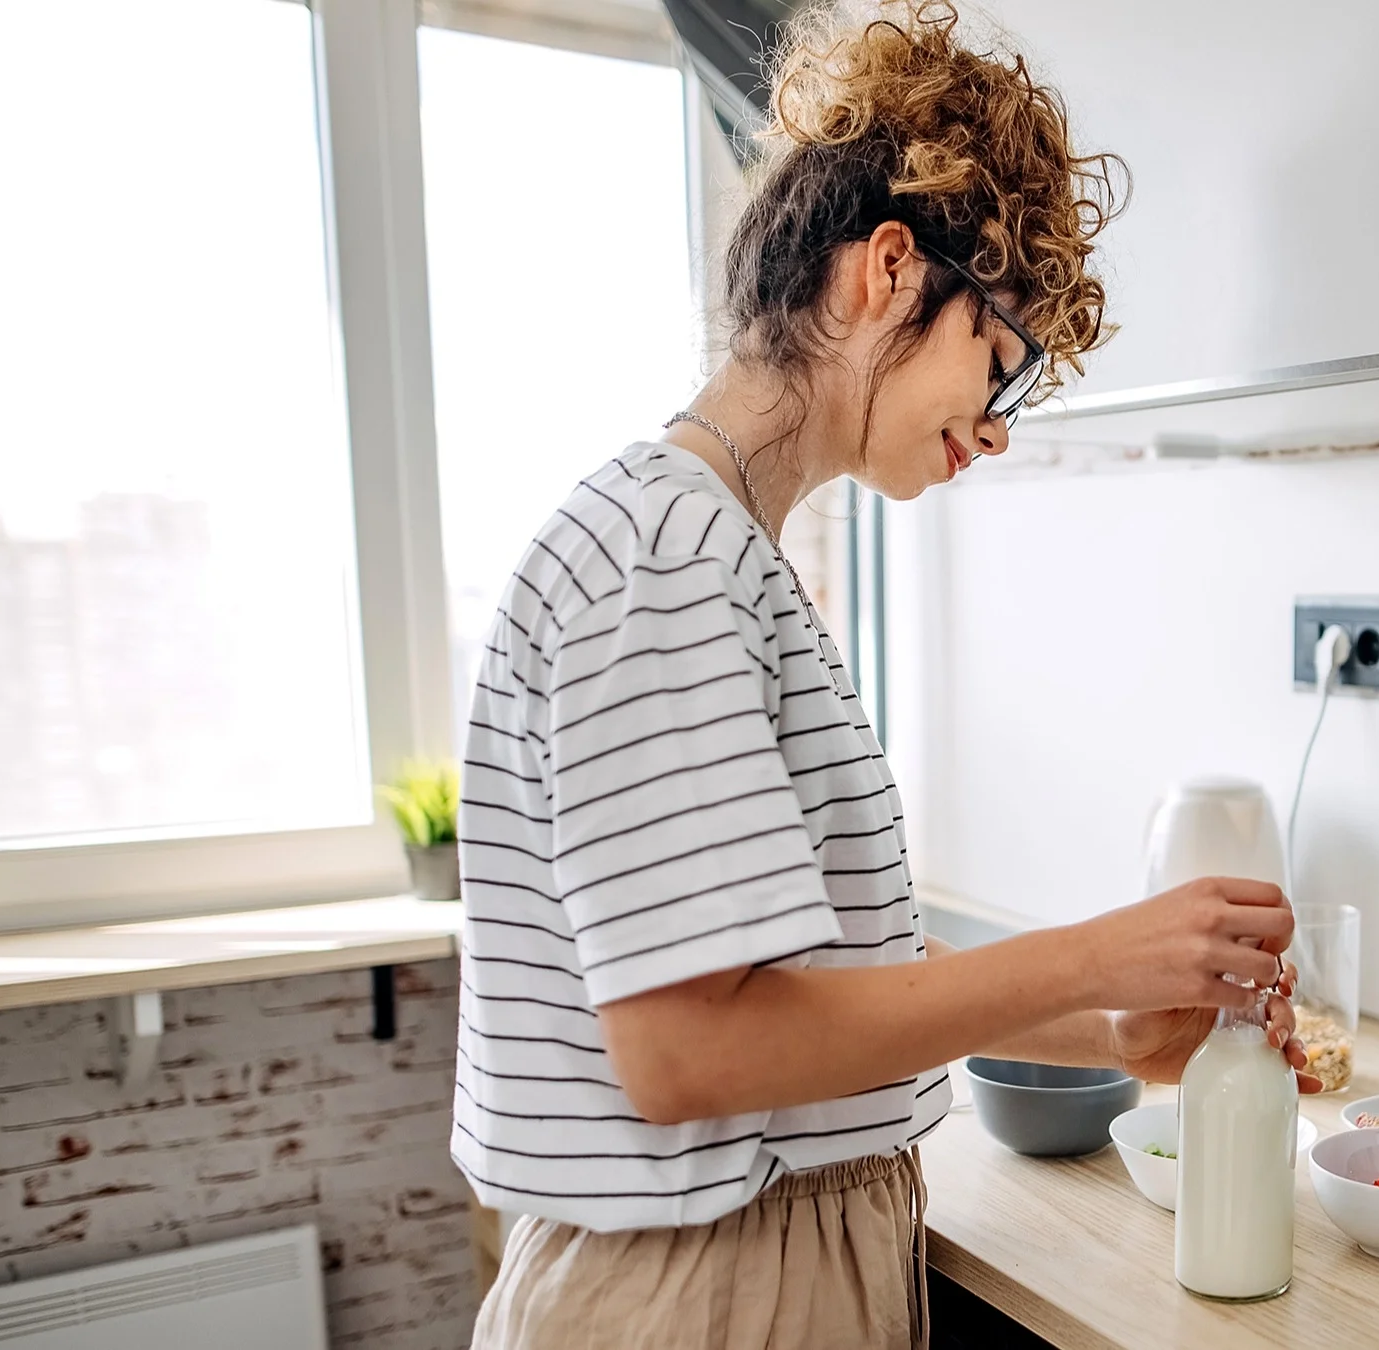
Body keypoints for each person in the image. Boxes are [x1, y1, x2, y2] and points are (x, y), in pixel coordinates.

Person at [454, 4, 1318, 1347]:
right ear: (889, 271)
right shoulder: (668, 553)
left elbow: (812, 976)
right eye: (1003, 361)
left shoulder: (720, 553)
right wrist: (1098, 946)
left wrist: (1109, 1024)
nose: (995, 428)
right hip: (701, 1294)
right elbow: (692, 1047)